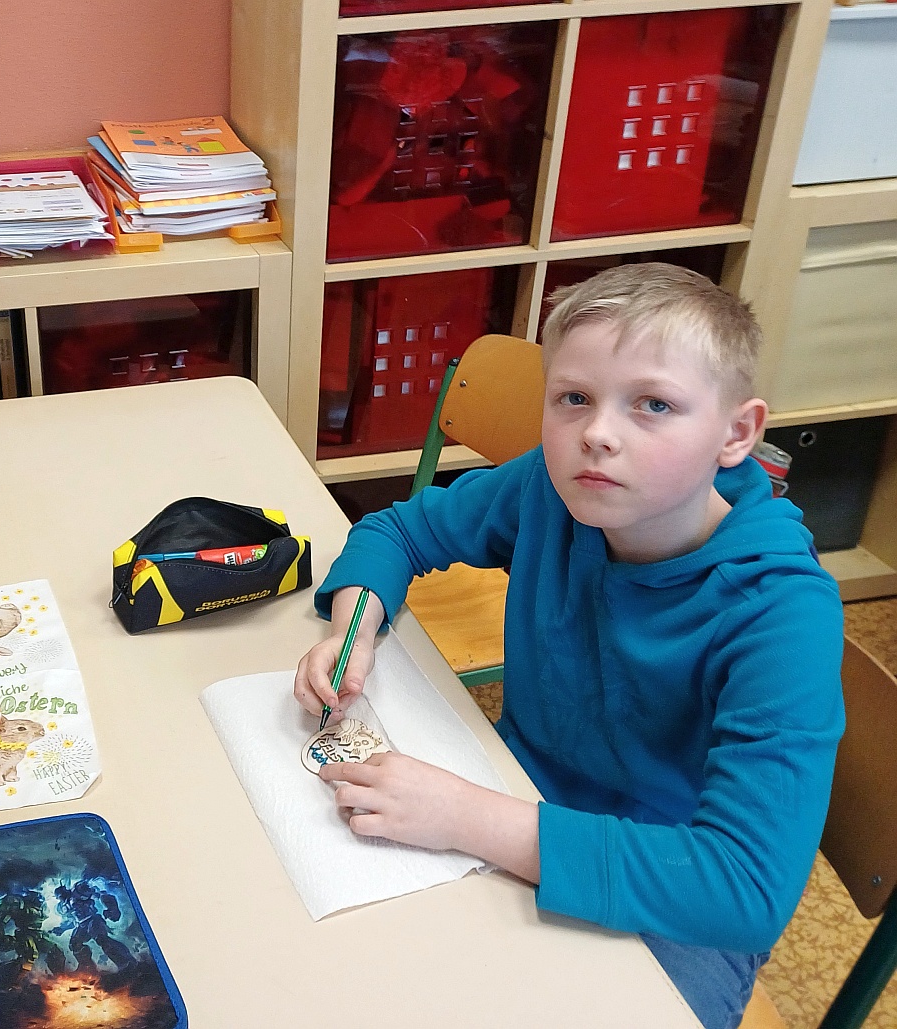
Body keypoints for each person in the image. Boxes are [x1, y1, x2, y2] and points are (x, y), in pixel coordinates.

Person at [293, 263, 844, 1029]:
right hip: (515, 797)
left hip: (671, 894)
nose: (598, 433)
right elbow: (400, 529)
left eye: (654, 404)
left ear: (736, 434)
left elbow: (741, 890)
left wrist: (470, 818)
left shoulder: (783, 613)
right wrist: (353, 628)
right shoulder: (553, 488)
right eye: (574, 398)